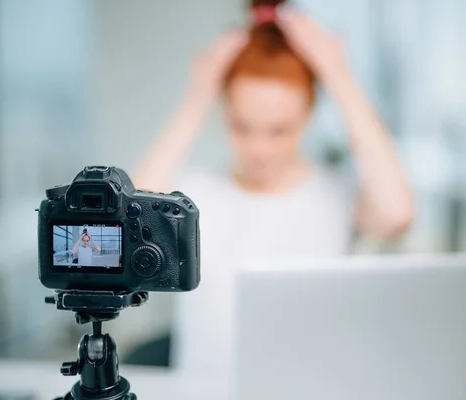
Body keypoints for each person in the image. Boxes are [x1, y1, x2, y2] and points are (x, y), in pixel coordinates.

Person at [133, 0, 414, 374]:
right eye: (242, 127)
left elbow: (396, 213)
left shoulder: (334, 195)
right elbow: (128, 225)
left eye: (278, 130)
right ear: (224, 112)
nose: (258, 150)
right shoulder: (193, 196)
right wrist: (199, 93)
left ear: (309, 114)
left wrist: (338, 77)